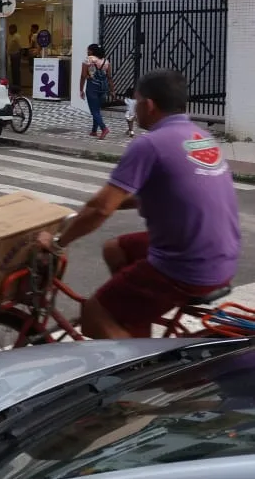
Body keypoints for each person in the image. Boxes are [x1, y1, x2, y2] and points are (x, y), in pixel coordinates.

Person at [39, 70, 241, 340]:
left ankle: (140, 370)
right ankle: (134, 322)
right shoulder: (201, 138)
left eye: (135, 101)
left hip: (187, 265)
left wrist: (57, 243)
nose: (133, 108)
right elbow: (169, 192)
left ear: (149, 105)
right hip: (222, 257)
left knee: (95, 315)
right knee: (115, 249)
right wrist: (109, 202)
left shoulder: (150, 144)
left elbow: (101, 209)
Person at [80, 42, 113, 139]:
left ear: (92, 51)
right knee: (97, 110)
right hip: (103, 88)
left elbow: (83, 76)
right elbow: (109, 77)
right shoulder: (106, 61)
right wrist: (112, 90)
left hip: (92, 87)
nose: (87, 51)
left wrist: (81, 90)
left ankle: (104, 129)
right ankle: (94, 131)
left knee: (94, 111)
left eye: (88, 50)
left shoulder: (88, 60)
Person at [8, 23, 22, 89]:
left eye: (10, 29)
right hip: (12, 56)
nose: (9, 31)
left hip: (16, 55)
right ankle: (15, 86)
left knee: (16, 72)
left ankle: (17, 86)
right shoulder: (12, 36)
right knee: (13, 72)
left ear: (13, 29)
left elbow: (20, 46)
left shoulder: (17, 36)